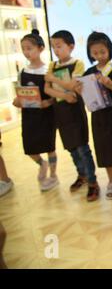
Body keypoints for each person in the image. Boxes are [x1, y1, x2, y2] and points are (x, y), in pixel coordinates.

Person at [44, 30, 100, 202]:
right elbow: (47, 89)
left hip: (75, 112)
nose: (56, 50)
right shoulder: (52, 65)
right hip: (60, 113)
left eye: (59, 46)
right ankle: (81, 175)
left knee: (82, 148)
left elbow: (73, 85)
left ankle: (92, 182)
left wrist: (56, 80)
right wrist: (65, 95)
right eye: (53, 47)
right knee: (71, 149)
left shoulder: (78, 64)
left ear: (71, 46)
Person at [78, 31, 112, 200]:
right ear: (90, 53)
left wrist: (111, 84)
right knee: (104, 148)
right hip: (99, 118)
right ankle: (111, 180)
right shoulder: (88, 73)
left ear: (109, 50)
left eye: (102, 52)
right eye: (95, 52)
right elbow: (86, 96)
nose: (99, 56)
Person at [12, 29, 58, 191]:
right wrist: (18, 101)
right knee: (29, 147)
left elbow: (56, 95)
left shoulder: (49, 71)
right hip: (29, 115)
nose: (26, 52)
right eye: (23, 48)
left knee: (49, 146)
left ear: (41, 48)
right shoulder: (22, 72)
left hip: (46, 115)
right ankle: (41, 163)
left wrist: (49, 102)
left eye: (29, 48)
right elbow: (19, 94)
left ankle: (53, 176)